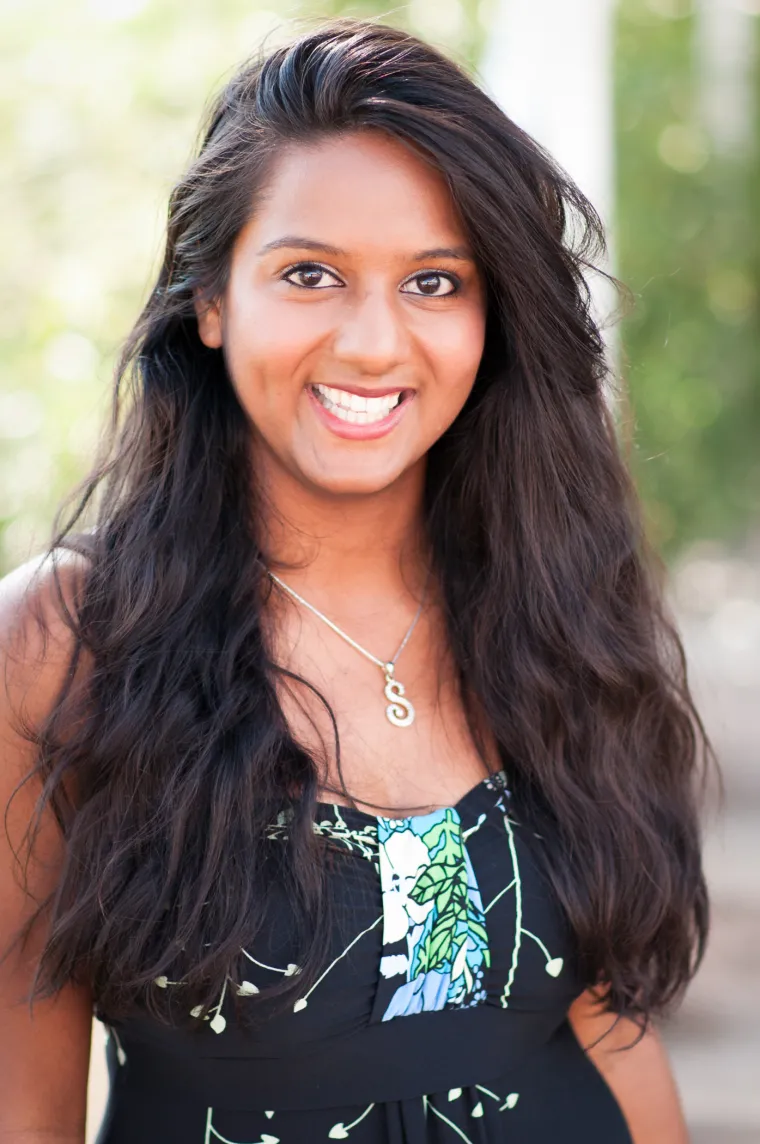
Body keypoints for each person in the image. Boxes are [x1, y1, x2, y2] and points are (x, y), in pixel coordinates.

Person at [0, 19, 709, 1144]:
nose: (375, 343)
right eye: (309, 274)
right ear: (211, 299)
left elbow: (605, 1021)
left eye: (434, 281)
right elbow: (19, 1090)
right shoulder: (68, 640)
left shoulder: (550, 601)